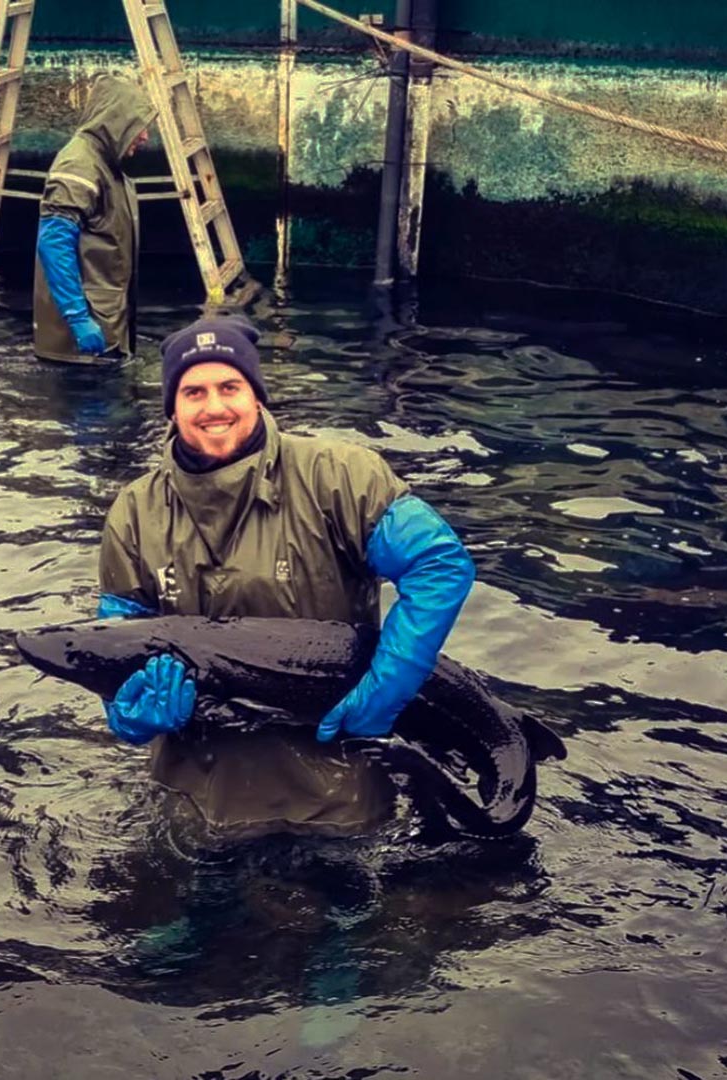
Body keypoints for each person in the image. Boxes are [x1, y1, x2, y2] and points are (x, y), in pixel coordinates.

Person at [96, 315, 476, 840]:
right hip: (198, 792)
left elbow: (440, 566)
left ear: (256, 394)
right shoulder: (133, 511)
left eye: (230, 387)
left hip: (337, 784)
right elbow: (113, 640)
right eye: (193, 392)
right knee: (191, 913)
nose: (214, 408)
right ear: (171, 406)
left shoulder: (342, 475)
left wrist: (383, 694)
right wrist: (127, 710)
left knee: (349, 914)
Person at [34, 74, 156, 363]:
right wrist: (78, 318)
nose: (145, 136)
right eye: (139, 125)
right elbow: (54, 242)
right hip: (82, 347)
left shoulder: (105, 164)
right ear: (116, 121)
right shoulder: (80, 164)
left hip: (104, 332)